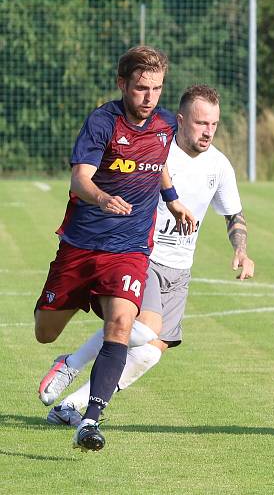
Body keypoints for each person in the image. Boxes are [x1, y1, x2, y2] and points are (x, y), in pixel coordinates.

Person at [39, 85, 254, 427]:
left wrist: (241, 251)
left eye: (213, 124)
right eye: (200, 123)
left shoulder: (220, 166)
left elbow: (234, 216)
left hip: (180, 268)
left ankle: (71, 405)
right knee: (139, 327)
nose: (207, 131)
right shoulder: (157, 148)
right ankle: (73, 363)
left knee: (150, 352)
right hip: (144, 252)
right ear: (181, 121)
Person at [34, 46, 196, 452]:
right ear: (123, 84)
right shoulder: (102, 122)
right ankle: (65, 361)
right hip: (81, 245)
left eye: (157, 89)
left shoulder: (163, 125)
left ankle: (89, 419)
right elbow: (79, 180)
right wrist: (102, 198)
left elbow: (156, 162)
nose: (149, 97)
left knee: (122, 325)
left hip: (129, 248)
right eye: (142, 88)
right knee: (44, 331)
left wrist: (173, 200)